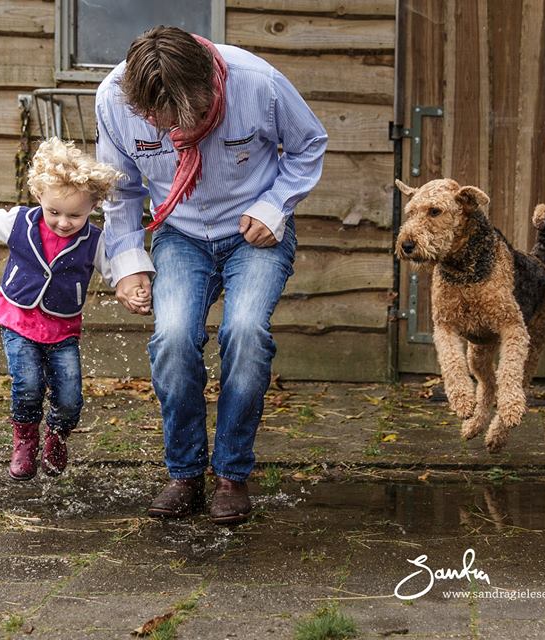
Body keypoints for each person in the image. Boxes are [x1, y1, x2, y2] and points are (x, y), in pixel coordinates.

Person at [96, 26, 328, 524]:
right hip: (178, 232)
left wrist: (274, 206)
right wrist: (128, 262)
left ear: (209, 85)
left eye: (189, 118)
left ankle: (231, 475)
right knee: (174, 337)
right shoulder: (112, 98)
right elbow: (120, 188)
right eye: (156, 120)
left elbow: (309, 144)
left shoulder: (257, 82)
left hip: (255, 231)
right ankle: (184, 474)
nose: (171, 130)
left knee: (244, 332)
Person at [0, 138, 144, 481]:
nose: (64, 222)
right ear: (39, 196)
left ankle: (56, 434)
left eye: (75, 215)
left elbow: (118, 273)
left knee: (70, 397)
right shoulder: (19, 222)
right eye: (55, 212)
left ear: (94, 206)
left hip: (62, 329)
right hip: (19, 320)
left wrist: (132, 290)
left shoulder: (95, 241)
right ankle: (25, 439)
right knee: (28, 385)